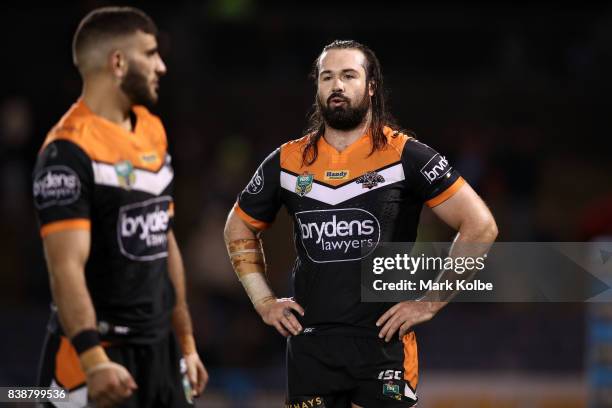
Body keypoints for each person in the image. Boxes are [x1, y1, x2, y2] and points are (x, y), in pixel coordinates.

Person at [223, 40, 498, 407]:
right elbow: (237, 229)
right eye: (327, 77)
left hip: (384, 347)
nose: (337, 85)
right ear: (317, 88)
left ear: (371, 86)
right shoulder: (287, 162)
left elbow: (481, 226)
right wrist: (263, 302)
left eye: (349, 75)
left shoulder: (405, 155)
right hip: (311, 349)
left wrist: (430, 303)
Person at [33, 7, 207, 407]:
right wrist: (93, 359)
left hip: (160, 353)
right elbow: (65, 267)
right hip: (96, 356)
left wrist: (186, 342)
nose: (161, 66)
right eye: (150, 53)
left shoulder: (152, 128)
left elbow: (163, 240)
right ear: (118, 62)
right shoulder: (68, 151)